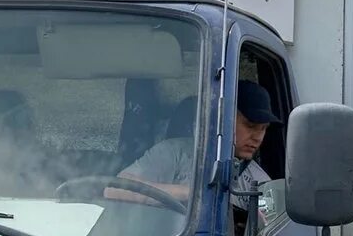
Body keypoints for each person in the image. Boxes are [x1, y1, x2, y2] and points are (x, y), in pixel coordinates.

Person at [105, 80, 277, 212]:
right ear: (223, 120)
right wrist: (190, 193)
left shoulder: (260, 181)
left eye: (264, 129)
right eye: (251, 126)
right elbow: (115, 190)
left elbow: (271, 229)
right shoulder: (174, 152)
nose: (258, 137)